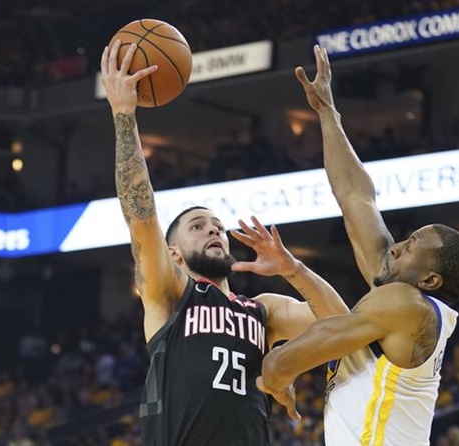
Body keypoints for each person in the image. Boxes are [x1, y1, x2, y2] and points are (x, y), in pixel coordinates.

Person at [100, 40, 349, 446]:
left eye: (217, 225)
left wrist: (294, 270)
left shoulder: (263, 310)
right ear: (174, 254)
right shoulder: (171, 294)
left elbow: (341, 324)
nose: (214, 230)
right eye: (198, 226)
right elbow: (141, 217)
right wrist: (124, 115)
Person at [257, 46, 459, 445]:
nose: (396, 247)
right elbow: (356, 197)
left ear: (429, 279)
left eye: (411, 246)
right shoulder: (400, 303)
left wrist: (274, 378)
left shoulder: (406, 307)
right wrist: (328, 112)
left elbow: (282, 361)